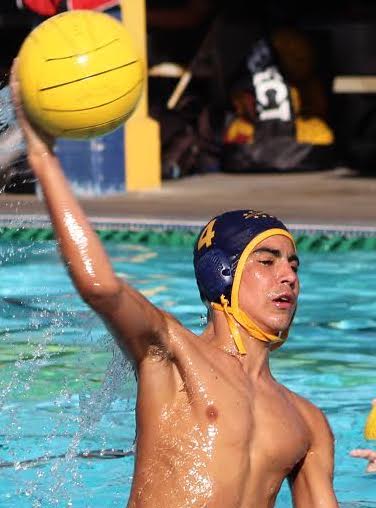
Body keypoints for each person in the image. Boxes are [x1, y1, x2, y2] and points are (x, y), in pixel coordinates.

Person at [10, 61, 338, 507]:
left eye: (294, 266)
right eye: (267, 260)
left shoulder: (307, 422)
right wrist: (42, 157)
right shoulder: (171, 354)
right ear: (224, 273)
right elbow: (100, 287)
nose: (288, 276)